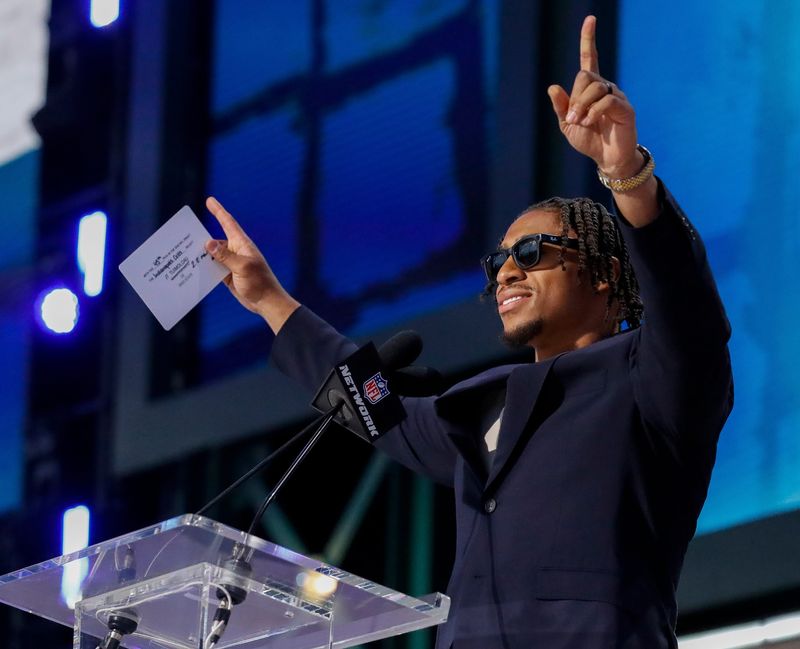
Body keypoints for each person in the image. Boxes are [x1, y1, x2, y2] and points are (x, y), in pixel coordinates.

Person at [203, 16, 732, 649]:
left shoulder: (652, 379)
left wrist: (628, 177)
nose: (508, 270)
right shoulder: (484, 404)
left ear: (603, 277)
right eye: (498, 260)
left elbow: (685, 305)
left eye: (533, 251)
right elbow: (374, 406)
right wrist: (267, 299)